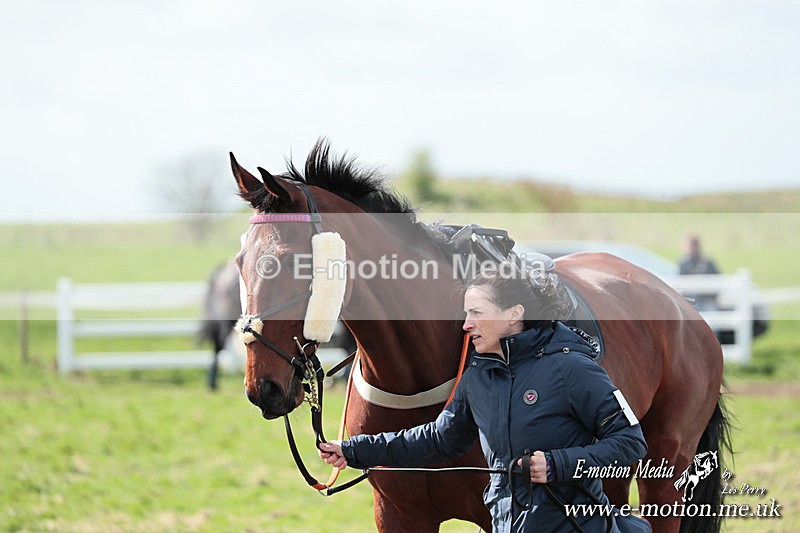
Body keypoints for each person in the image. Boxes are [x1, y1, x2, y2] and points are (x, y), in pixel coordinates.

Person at [318, 269, 649, 532]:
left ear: (513, 314)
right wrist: (354, 450)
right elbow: (439, 439)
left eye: (476, 312)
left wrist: (557, 464)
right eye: (466, 313)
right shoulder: (478, 376)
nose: (466, 324)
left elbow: (630, 443)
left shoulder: (573, 368)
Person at [678, 235, 720, 311]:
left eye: (690, 246)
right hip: (689, 301)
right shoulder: (684, 263)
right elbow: (679, 282)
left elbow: (717, 279)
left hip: (706, 301)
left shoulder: (707, 263)